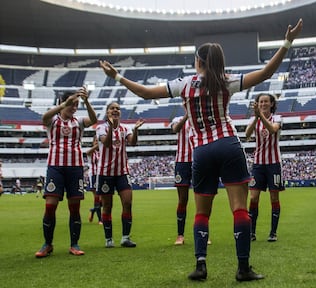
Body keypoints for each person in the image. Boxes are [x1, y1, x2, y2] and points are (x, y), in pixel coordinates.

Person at [99, 18, 303, 282]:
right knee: (239, 208)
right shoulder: (226, 81)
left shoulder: (185, 84)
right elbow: (265, 74)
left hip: (202, 150)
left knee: (201, 211)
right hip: (228, 145)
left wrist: (116, 75)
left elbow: (146, 93)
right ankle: (243, 268)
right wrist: (287, 41)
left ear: (199, 61)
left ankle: (201, 265)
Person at [35, 87, 97, 258]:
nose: (74, 108)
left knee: (74, 208)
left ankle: (74, 244)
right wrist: (64, 103)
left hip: (75, 168)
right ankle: (47, 244)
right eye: (72, 104)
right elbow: (44, 117)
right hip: (55, 167)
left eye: (76, 105)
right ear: (63, 103)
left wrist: (86, 101)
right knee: (50, 206)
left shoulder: (79, 122)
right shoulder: (53, 121)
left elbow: (94, 119)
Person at [96, 101, 144, 248]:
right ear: (107, 112)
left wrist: (135, 130)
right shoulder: (100, 128)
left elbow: (133, 143)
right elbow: (108, 143)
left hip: (122, 172)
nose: (115, 110)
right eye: (112, 108)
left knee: (128, 203)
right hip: (105, 173)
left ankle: (125, 238)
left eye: (118, 108)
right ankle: (109, 239)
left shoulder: (125, 128)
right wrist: (111, 127)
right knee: (107, 206)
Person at [245, 93, 285, 242]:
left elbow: (273, 130)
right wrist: (256, 117)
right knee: (254, 197)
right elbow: (247, 135)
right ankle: (251, 232)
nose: (263, 104)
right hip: (258, 164)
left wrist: (260, 116)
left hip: (274, 164)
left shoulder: (278, 118)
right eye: (260, 102)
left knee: (274, 197)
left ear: (272, 104)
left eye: (266, 101)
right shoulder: (253, 119)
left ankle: (273, 232)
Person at [171, 113, 194, 245]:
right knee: (182, 199)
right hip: (182, 162)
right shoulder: (177, 119)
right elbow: (175, 129)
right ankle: (180, 235)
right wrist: (186, 116)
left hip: (199, 160)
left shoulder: (200, 116)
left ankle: (203, 233)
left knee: (201, 199)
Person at [86, 135, 102, 224]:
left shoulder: (102, 152)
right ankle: (100, 220)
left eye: (98, 140)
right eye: (95, 140)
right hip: (94, 175)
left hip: (102, 175)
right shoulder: (92, 152)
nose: (96, 141)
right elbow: (87, 152)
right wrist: (98, 145)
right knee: (97, 197)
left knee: (103, 200)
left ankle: (93, 210)